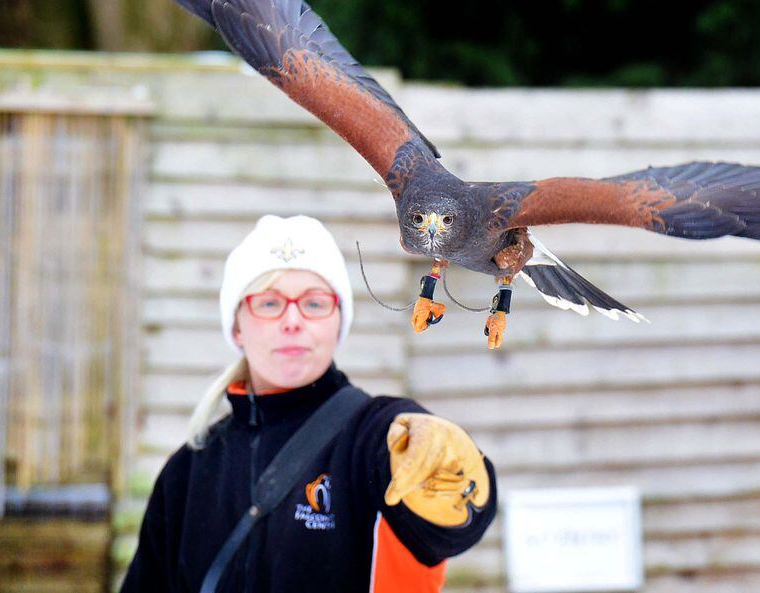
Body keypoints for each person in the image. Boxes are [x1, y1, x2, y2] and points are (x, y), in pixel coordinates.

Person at [121, 214, 496, 592]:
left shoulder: (375, 437)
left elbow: (449, 528)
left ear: (338, 321)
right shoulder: (187, 471)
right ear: (237, 325)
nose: (292, 321)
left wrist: (445, 458)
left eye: (314, 304)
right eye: (269, 303)